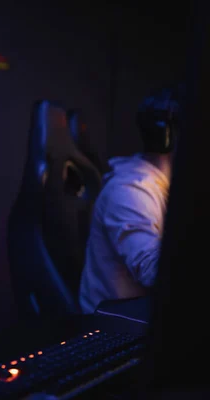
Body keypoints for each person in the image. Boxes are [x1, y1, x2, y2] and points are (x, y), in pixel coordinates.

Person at [79, 85, 182, 314]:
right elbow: (155, 273)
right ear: (168, 135)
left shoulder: (164, 186)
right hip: (112, 331)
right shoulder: (130, 191)